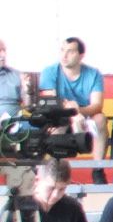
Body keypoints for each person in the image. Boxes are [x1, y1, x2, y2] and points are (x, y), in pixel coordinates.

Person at [38, 36, 106, 168]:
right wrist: (72, 113)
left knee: (101, 119)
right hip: (60, 116)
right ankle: (56, 171)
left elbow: (97, 106)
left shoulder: (94, 74)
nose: (64, 55)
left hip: (84, 115)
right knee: (53, 128)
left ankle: (98, 169)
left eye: (70, 51)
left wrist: (78, 111)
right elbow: (51, 103)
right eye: (62, 50)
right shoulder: (49, 72)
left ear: (81, 55)